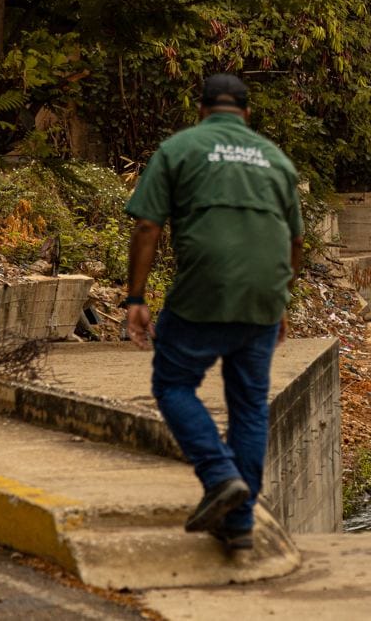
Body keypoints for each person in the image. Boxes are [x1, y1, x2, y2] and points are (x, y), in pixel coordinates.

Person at [123, 73, 304, 551]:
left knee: (172, 383)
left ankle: (220, 474)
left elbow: (147, 226)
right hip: (264, 297)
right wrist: (280, 298)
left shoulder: (180, 148)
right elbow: (295, 240)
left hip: (203, 292)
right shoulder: (276, 159)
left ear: (201, 110)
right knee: (248, 404)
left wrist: (136, 298)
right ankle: (240, 522)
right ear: (246, 114)